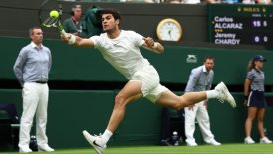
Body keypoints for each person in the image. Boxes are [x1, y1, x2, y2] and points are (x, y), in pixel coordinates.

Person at [61, 9, 236, 154]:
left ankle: (103, 141)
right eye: (103, 19)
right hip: (140, 80)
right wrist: (69, 39)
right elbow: (81, 41)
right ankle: (217, 92)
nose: (104, 21)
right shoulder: (100, 40)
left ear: (117, 21)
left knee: (120, 98)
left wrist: (153, 44)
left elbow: (161, 49)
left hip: (146, 74)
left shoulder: (131, 36)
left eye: (108, 18)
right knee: (179, 103)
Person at [13, 27, 55, 153]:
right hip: (30, 85)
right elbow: (17, 68)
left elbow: (48, 66)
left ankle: (42, 144)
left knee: (43, 117)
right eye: (37, 33)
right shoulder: (26, 50)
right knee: (27, 117)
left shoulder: (47, 50)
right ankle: (23, 145)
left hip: (44, 85)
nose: (41, 35)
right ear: (31, 36)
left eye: (41, 33)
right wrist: (24, 83)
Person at [184, 56, 221, 146]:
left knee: (205, 119)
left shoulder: (211, 73)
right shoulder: (197, 71)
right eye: (208, 63)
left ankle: (209, 139)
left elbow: (208, 87)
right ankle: (190, 140)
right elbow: (189, 86)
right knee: (190, 119)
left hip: (201, 99)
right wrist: (190, 100)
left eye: (211, 63)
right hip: (191, 98)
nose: (209, 65)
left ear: (213, 64)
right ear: (204, 63)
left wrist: (205, 99)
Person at [244, 55, 272, 144]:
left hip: (261, 95)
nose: (262, 63)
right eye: (260, 61)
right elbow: (246, 84)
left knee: (260, 119)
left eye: (262, 61)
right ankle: (247, 138)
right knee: (251, 117)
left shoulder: (262, 73)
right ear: (255, 62)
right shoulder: (251, 72)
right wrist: (245, 97)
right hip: (254, 95)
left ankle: (262, 138)